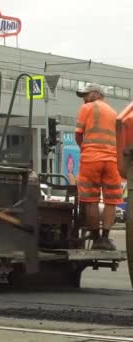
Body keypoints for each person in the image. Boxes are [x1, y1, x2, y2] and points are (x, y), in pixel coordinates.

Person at [75, 83, 122, 251]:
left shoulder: (87, 108)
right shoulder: (113, 112)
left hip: (91, 160)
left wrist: (86, 150)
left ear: (96, 94)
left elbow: (78, 135)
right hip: (111, 161)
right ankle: (106, 238)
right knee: (111, 200)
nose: (84, 99)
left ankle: (96, 239)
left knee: (90, 200)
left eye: (86, 95)